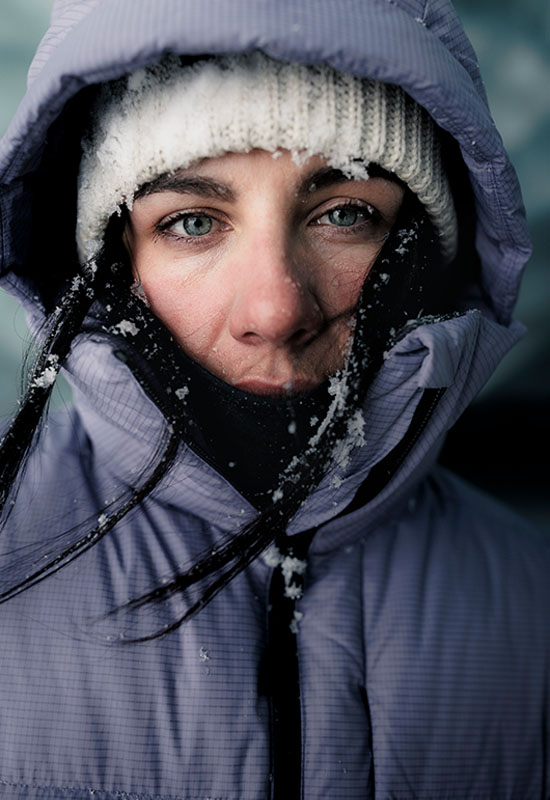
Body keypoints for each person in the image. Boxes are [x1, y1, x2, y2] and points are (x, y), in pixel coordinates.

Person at [0, 1, 547, 798]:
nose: (275, 309)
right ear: (115, 260)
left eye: (345, 215)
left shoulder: (532, 610)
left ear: (425, 246)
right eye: (193, 222)